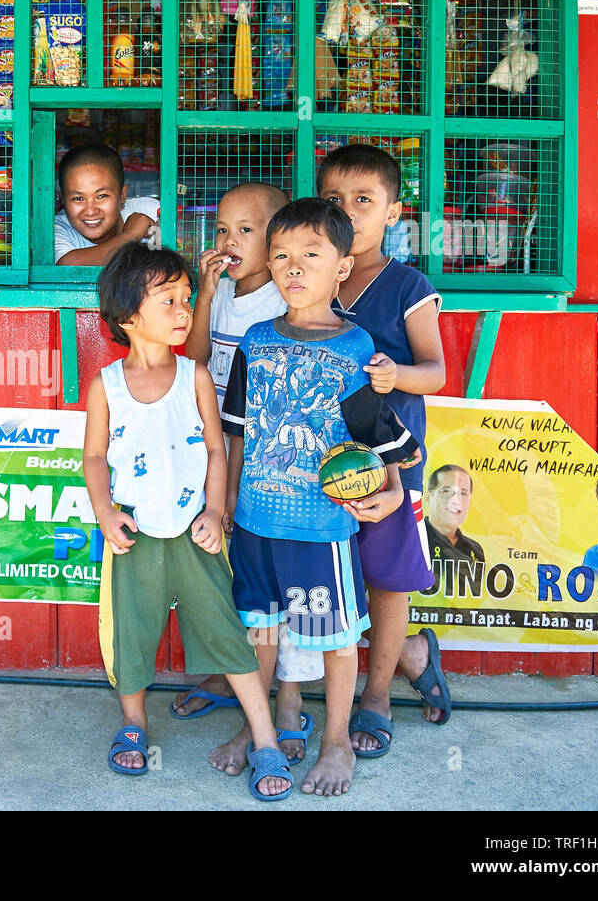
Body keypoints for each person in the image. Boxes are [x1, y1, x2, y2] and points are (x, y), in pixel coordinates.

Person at [84, 241, 293, 801]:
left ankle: (265, 737)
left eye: (186, 297)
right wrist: (105, 513)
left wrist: (216, 508)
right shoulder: (105, 387)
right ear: (128, 317)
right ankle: (134, 723)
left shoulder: (194, 374)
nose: (184, 310)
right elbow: (95, 458)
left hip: (197, 534)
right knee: (131, 635)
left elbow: (218, 449)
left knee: (230, 633)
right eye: (170, 300)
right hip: (133, 539)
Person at [220, 197, 415, 796]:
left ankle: (334, 742)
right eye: (280, 256)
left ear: (341, 267)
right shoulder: (255, 340)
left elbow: (380, 441)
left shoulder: (355, 349)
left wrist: (394, 490)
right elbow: (236, 433)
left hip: (320, 528)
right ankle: (263, 735)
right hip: (255, 521)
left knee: (332, 639)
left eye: (310, 254)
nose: (293, 267)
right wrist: (225, 503)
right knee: (261, 631)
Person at [173, 181, 320, 766]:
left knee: (283, 592)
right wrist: (206, 293)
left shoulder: (280, 304)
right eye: (221, 231)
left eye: (246, 231)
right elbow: (201, 360)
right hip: (222, 451)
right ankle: (234, 678)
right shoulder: (230, 294)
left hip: (272, 465)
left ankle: (287, 700)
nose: (229, 242)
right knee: (236, 584)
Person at [318, 144, 452, 755]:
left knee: (386, 579)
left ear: (393, 213)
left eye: (363, 202)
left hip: (391, 458)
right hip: (323, 457)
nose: (347, 212)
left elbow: (436, 371)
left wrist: (393, 376)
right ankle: (400, 660)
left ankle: (376, 695)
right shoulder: (314, 271)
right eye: (333, 201)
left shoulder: (406, 284)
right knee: (329, 571)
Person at [54, 144, 159, 266]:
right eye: (78, 198)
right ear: (63, 200)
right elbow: (67, 266)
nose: (90, 211)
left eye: (102, 196)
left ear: (122, 195)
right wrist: (131, 236)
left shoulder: (150, 210)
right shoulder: (58, 229)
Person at [424, 464, 485, 588]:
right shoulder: (411, 541)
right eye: (446, 491)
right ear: (428, 498)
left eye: (463, 494)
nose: (455, 501)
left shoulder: (475, 550)